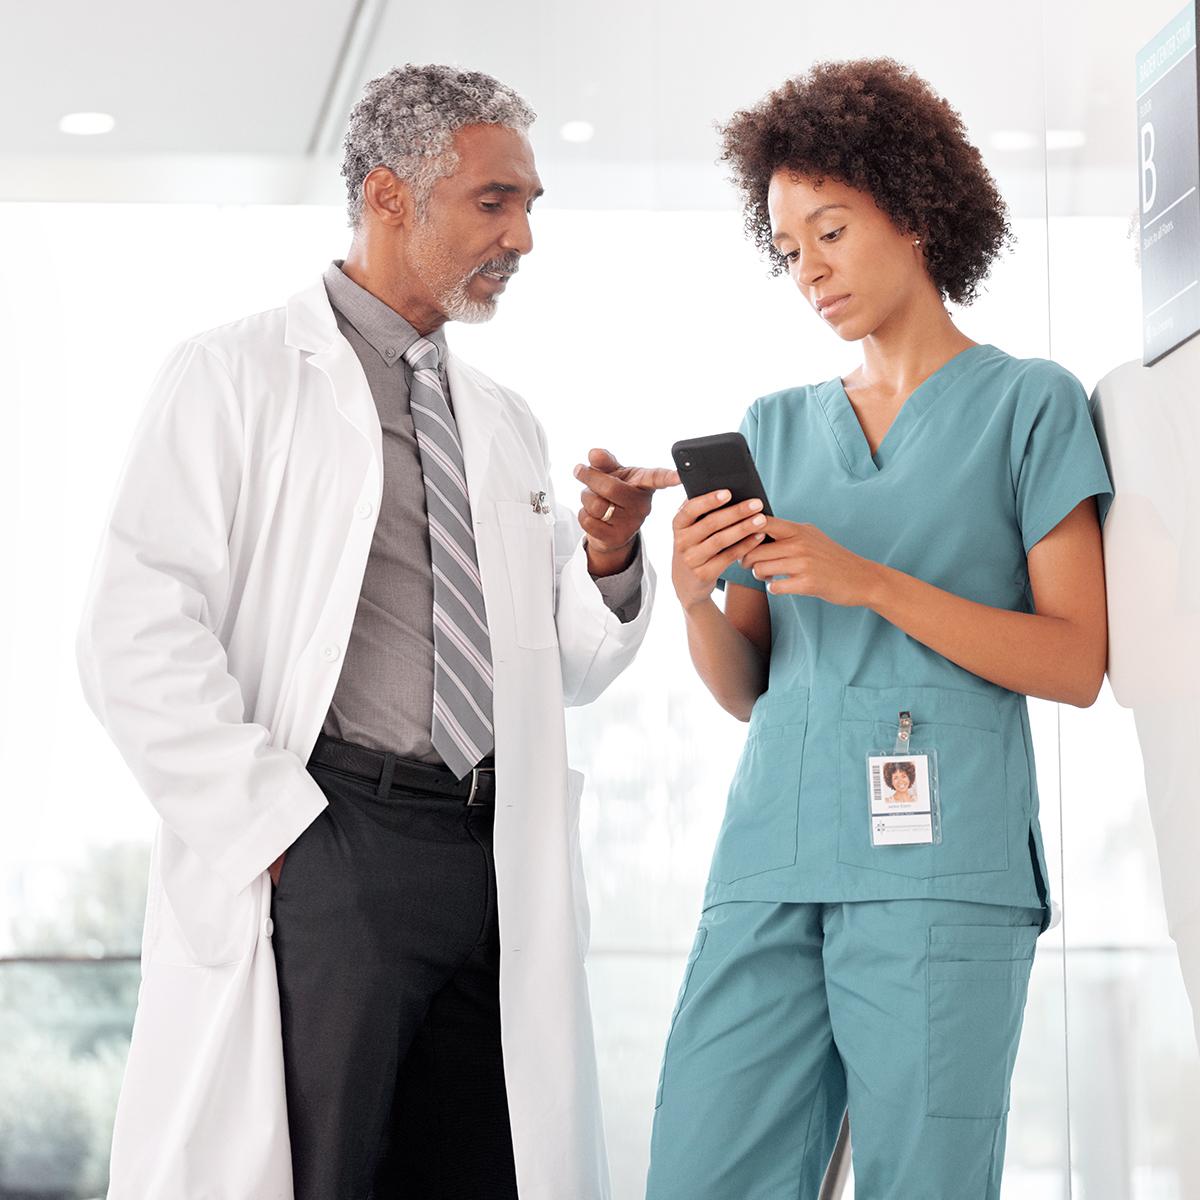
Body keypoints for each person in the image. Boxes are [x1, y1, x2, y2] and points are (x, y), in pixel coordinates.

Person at [76, 63, 676, 1200]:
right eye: (494, 202)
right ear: (391, 196)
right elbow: (133, 631)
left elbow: (567, 666)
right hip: (335, 837)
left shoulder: (497, 419)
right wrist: (285, 835)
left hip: (491, 851)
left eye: (531, 206)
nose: (524, 237)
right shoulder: (235, 375)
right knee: (324, 1170)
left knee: (477, 1169)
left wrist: (605, 556)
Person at [646, 57, 1113, 1200]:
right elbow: (749, 684)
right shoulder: (776, 426)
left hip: (941, 870)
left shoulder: (1029, 405)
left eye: (832, 231)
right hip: (769, 859)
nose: (809, 269)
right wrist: (691, 597)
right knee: (701, 1173)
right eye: (790, 248)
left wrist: (877, 586)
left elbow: (1076, 660)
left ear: (913, 209)